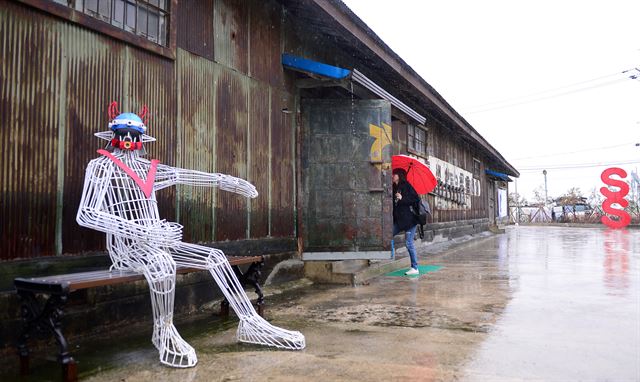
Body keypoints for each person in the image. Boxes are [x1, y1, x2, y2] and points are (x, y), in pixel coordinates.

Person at [392, 168, 421, 275]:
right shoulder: (394, 187)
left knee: (409, 243)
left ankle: (415, 268)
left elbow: (416, 199)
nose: (392, 175)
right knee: (387, 234)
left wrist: (402, 198)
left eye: (394, 174)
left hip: (410, 220)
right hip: (399, 221)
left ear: (399, 175)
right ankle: (391, 254)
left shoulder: (407, 186)